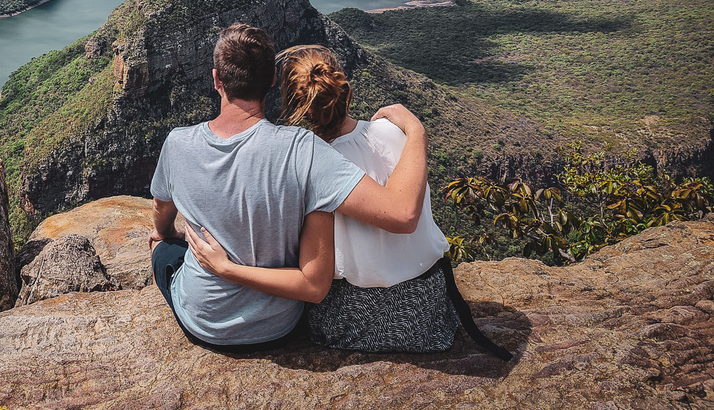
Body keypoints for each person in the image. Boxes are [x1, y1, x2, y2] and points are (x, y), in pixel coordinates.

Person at [185, 44, 511, 359]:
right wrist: (416, 128)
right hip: (426, 311)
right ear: (347, 92)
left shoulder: (307, 165)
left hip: (351, 317)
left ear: (293, 107)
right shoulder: (395, 134)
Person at [149, 23, 430, 350]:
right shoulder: (304, 150)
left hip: (202, 323)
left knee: (163, 249)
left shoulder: (176, 144)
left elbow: (161, 212)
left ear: (216, 79)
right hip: (280, 325)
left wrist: (168, 233)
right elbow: (403, 214)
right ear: (271, 80)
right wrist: (417, 130)